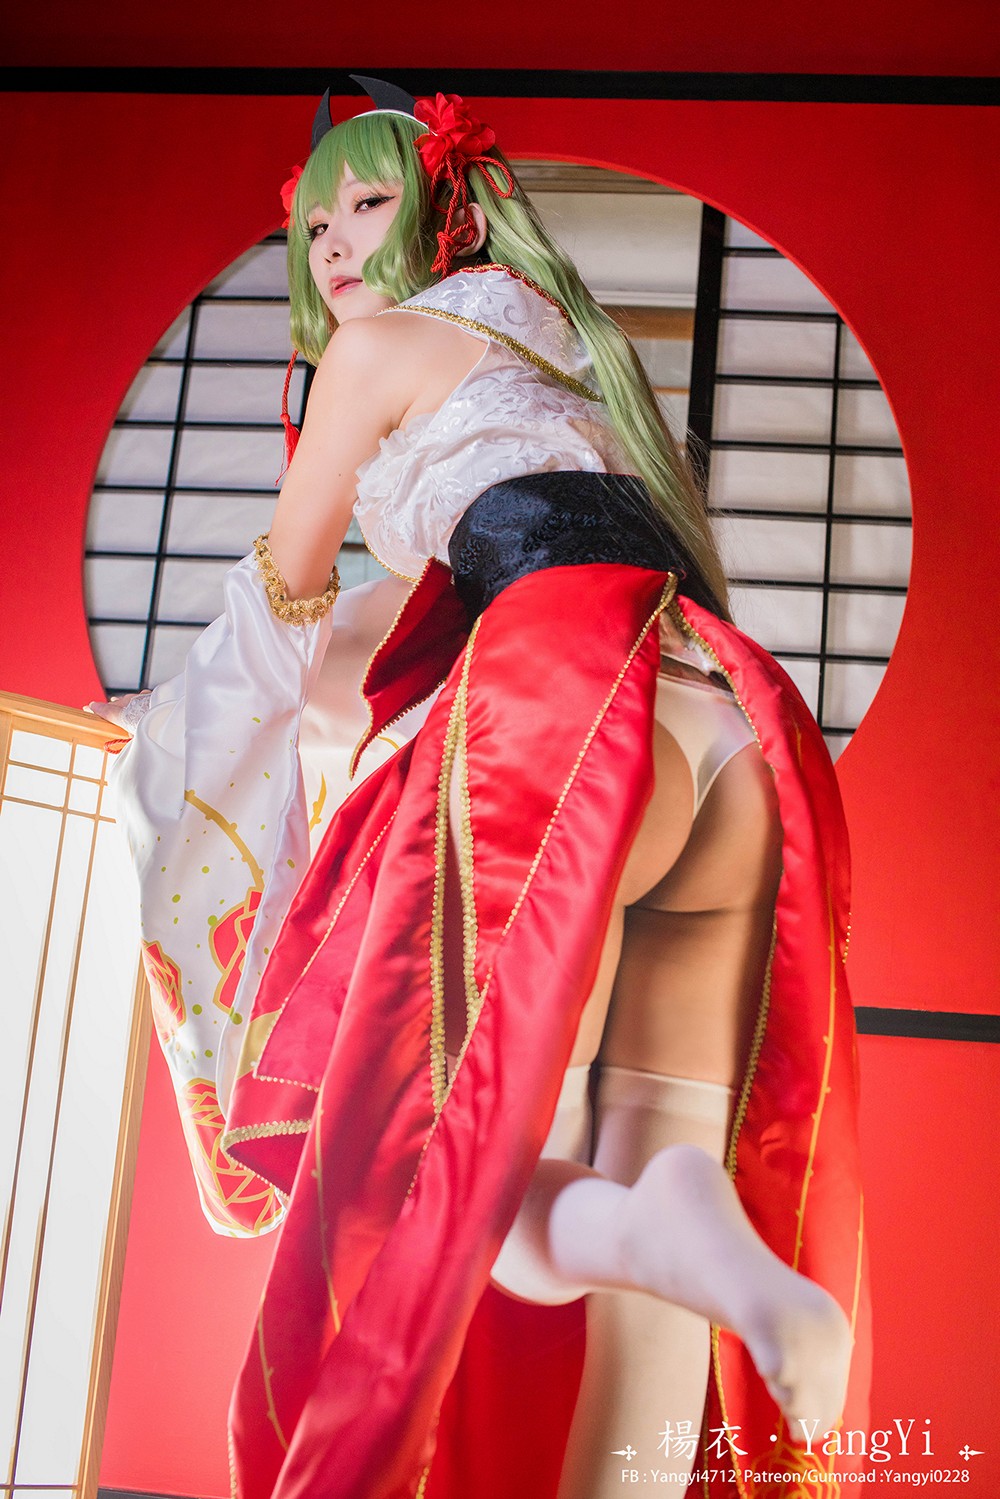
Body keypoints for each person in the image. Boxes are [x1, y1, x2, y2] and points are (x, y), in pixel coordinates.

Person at [93, 80, 871, 1499]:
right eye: (312, 223)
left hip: (571, 704)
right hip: (730, 724)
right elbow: (437, 589)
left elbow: (288, 592)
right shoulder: (565, 352)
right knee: (655, 1161)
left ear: (442, 208)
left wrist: (170, 727)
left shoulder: (377, 349)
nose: (334, 243)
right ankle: (696, 1224)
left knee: (457, 1174)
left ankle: (677, 1231)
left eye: (368, 201)